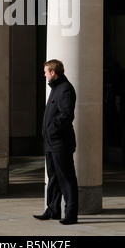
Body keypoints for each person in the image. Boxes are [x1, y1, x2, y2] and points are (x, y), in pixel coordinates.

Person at [34, 59, 78, 225]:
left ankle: (71, 214)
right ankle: (52, 210)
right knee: (53, 177)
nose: (44, 74)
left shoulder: (65, 89)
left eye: (46, 71)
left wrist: (51, 129)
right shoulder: (55, 88)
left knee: (66, 178)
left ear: (53, 72)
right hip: (51, 142)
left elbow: (66, 115)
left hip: (60, 143)